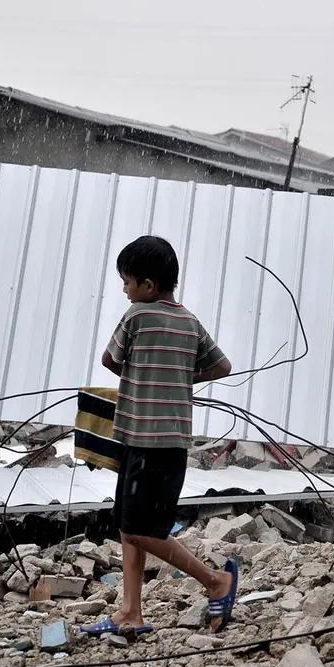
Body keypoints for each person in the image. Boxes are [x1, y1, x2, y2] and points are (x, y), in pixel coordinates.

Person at [81, 235, 238, 637]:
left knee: (137, 529)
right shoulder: (189, 322)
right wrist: (183, 376)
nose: (124, 289)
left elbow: (109, 360)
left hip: (141, 439)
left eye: (128, 281)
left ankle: (215, 581)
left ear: (148, 286)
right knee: (127, 522)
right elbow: (223, 366)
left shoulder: (136, 317)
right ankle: (130, 611)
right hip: (169, 445)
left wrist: (141, 376)